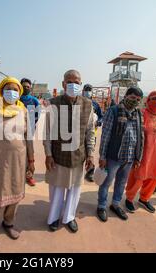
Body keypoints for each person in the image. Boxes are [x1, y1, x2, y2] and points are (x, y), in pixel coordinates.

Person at [0, 77, 34, 246]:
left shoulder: (23, 110)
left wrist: (31, 160)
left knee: (15, 192)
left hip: (19, 160)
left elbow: (29, 137)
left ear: (19, 92)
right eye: (7, 89)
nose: (11, 92)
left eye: (15, 90)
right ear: (1, 90)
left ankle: (8, 222)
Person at [44, 69, 96, 233]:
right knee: (57, 188)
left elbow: (90, 132)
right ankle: (53, 218)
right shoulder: (53, 103)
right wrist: (48, 154)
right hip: (58, 155)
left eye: (77, 82)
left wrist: (91, 153)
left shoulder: (88, 105)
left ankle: (69, 217)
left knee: (75, 190)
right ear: (63, 84)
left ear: (80, 84)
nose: (73, 85)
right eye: (69, 81)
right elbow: (47, 132)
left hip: (78, 155)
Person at [97, 87, 144, 222]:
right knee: (106, 182)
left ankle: (116, 204)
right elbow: (105, 135)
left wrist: (137, 157)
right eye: (132, 98)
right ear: (126, 96)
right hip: (113, 156)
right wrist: (102, 156)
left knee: (121, 183)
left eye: (138, 100)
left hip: (129, 157)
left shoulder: (138, 114)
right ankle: (101, 205)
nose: (135, 101)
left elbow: (140, 136)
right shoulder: (114, 111)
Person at [124, 91, 156, 214]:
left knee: (155, 177)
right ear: (148, 101)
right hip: (144, 151)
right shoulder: (142, 114)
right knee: (139, 176)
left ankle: (144, 198)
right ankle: (129, 198)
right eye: (153, 98)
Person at [20, 78, 40, 187]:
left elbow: (37, 115)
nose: (25, 88)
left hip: (30, 130)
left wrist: (30, 125)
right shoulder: (16, 99)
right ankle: (18, 175)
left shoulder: (34, 100)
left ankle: (29, 176)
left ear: (30, 88)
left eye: (27, 87)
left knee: (29, 152)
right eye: (23, 86)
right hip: (16, 131)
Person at [82, 84, 103, 182]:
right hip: (80, 133)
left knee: (90, 151)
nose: (87, 91)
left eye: (89, 90)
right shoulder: (78, 102)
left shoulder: (95, 104)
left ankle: (90, 172)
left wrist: (99, 122)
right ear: (82, 91)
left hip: (91, 133)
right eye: (86, 90)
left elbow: (101, 116)